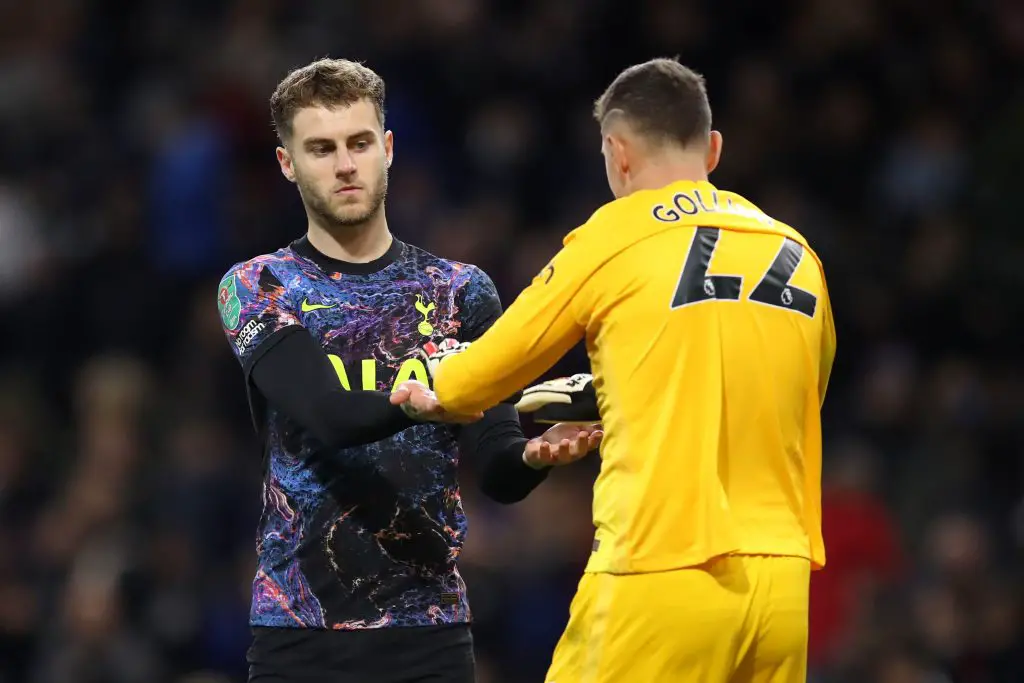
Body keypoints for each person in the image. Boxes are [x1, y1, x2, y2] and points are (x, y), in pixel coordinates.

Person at [392, 57, 837, 683]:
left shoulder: (617, 234)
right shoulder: (799, 253)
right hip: (782, 586)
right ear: (712, 148)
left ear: (617, 152)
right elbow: (797, 395)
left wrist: (428, 392)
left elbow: (482, 372)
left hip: (662, 565)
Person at [217, 58, 602, 683]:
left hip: (432, 634)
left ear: (387, 148)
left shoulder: (460, 291)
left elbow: (497, 463)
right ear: (287, 163)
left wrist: (534, 457)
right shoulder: (258, 286)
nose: (345, 164)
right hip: (299, 634)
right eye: (321, 148)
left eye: (360, 143)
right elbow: (328, 415)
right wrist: (431, 379)